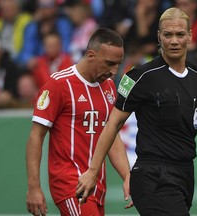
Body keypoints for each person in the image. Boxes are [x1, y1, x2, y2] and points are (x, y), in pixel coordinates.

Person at [76, 7, 197, 216]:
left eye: (180, 34)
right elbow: (113, 125)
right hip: (151, 175)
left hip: (185, 174)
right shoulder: (140, 77)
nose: (174, 41)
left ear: (190, 36)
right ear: (159, 37)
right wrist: (93, 171)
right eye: (168, 34)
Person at [26, 28, 132, 216]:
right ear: (91, 55)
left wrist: (127, 176)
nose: (114, 71)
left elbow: (111, 137)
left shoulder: (108, 87)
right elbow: (36, 136)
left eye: (118, 64)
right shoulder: (59, 84)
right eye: (109, 64)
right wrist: (34, 187)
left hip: (96, 187)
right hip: (70, 185)